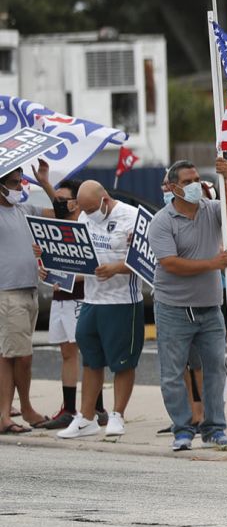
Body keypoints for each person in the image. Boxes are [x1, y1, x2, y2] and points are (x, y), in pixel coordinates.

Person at [148, 157, 227, 451]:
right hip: (173, 308)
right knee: (172, 372)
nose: (194, 185)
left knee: (215, 369)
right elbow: (169, 264)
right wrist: (213, 263)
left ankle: (214, 429)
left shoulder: (211, 210)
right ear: (171, 187)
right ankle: (182, 430)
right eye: (187, 181)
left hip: (209, 307)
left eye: (196, 179)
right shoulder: (162, 221)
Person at [56, 182, 144, 440]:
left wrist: (117, 268)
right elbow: (80, 259)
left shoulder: (132, 216)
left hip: (122, 301)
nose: (88, 214)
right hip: (92, 300)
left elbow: (148, 260)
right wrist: (54, 271)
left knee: (123, 362)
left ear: (105, 199)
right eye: (84, 209)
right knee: (91, 360)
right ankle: (85, 418)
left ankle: (117, 415)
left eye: (92, 208)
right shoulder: (84, 215)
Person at [35, 180, 105, 430]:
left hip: (81, 297)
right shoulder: (57, 227)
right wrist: (45, 271)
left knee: (88, 351)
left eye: (64, 200)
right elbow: (49, 261)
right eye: (58, 200)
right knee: (66, 353)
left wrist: (68, 278)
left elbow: (94, 268)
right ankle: (69, 407)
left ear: (77, 201)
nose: (60, 204)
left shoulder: (88, 226)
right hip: (60, 298)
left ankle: (97, 407)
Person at [0, 159, 58, 434]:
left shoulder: (24, 209)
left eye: (22, 182)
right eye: (13, 183)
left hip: (29, 290)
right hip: (7, 292)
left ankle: (10, 411)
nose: (19, 187)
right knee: (17, 356)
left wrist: (45, 182)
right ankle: (20, 409)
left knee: (15, 355)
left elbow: (61, 212)